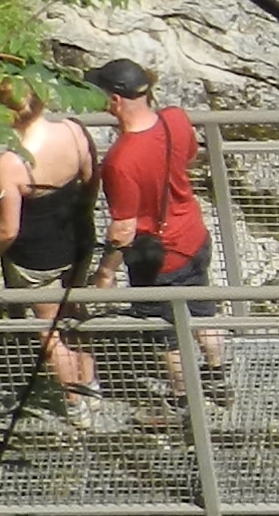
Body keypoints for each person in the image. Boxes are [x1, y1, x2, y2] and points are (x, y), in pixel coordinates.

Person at [92, 58, 229, 408]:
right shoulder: (175, 119)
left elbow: (123, 228)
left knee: (166, 334)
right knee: (202, 311)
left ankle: (184, 399)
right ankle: (217, 376)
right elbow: (191, 156)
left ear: (115, 101)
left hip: (158, 258)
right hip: (194, 235)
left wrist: (105, 271)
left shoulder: (120, 161)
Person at [0, 86, 119, 430]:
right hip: (76, 239)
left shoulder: (11, 161)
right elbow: (92, 180)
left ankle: (75, 403)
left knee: (50, 330)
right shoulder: (74, 131)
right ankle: (91, 388)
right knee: (75, 315)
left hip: (37, 255)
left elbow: (7, 230)